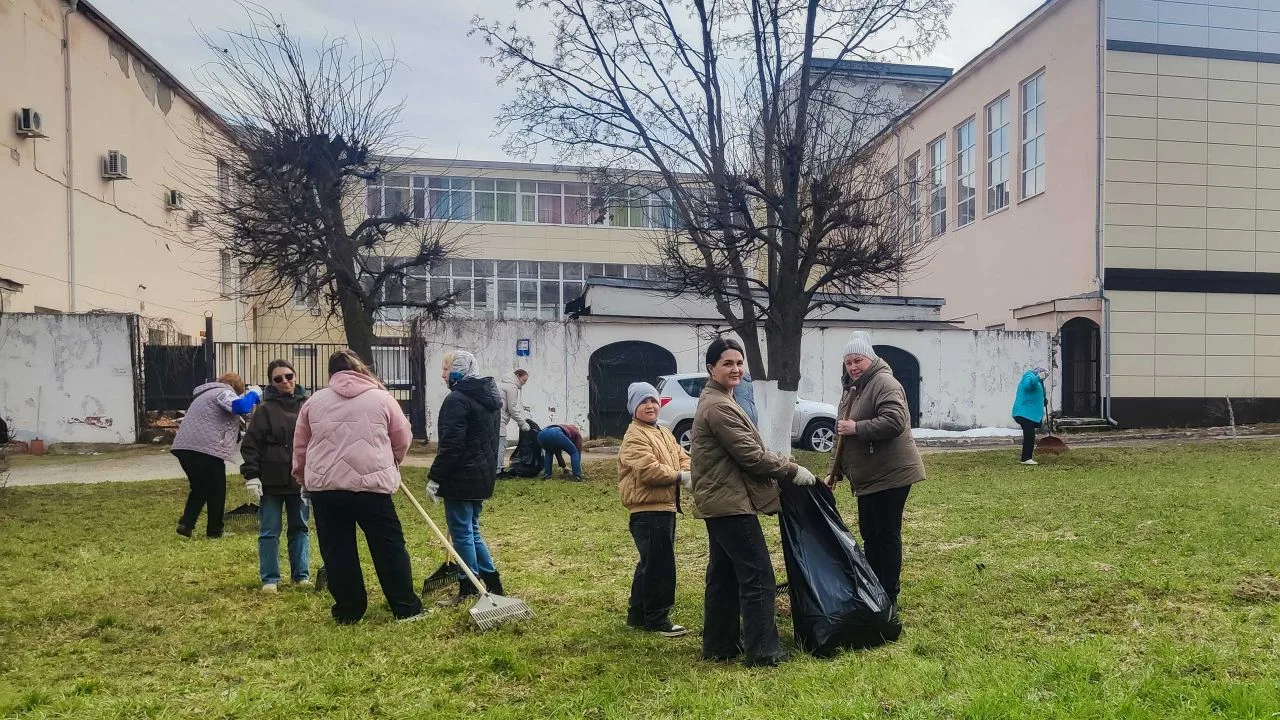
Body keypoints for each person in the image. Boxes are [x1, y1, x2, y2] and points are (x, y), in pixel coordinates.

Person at [691, 337, 817, 667]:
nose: (735, 369)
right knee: (758, 575)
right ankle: (763, 652)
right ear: (711, 368)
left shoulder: (720, 398)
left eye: (738, 363)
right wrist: (791, 469)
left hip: (719, 499)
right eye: (727, 364)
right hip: (729, 503)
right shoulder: (719, 406)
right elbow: (752, 456)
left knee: (724, 574)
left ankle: (719, 644)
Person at [292, 350, 423, 624]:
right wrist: (393, 460)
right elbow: (403, 436)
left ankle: (348, 610)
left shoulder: (314, 402)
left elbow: (301, 446)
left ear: (331, 373)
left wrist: (302, 478)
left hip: (326, 488)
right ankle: (405, 607)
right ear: (360, 369)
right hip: (372, 486)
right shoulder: (382, 398)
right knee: (388, 546)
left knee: (337, 550)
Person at [826, 331, 925, 609]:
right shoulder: (853, 388)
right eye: (848, 362)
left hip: (891, 474)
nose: (853, 367)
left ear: (870, 359)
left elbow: (895, 421)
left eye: (858, 360)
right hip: (870, 476)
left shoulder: (884, 382)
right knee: (871, 535)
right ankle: (875, 591)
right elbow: (841, 432)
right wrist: (834, 471)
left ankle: (888, 596)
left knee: (885, 536)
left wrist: (858, 428)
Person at [428, 350, 506, 605]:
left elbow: (451, 445)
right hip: (480, 477)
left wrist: (436, 477)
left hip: (460, 478)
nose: (443, 375)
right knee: (471, 529)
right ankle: (492, 582)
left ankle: (469, 585)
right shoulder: (488, 397)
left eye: (447, 369)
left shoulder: (458, 399)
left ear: (459, 371)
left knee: (462, 532)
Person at [617, 381, 691, 638]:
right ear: (633, 407)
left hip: (665, 507)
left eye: (653, 401)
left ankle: (637, 616)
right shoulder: (634, 436)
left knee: (649, 563)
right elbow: (648, 471)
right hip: (648, 511)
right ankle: (657, 619)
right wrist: (680, 477)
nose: (650, 406)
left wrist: (687, 470)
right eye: (643, 402)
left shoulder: (663, 432)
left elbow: (682, 456)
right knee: (660, 566)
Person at [240, 359, 310, 592]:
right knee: (269, 531)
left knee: (300, 528)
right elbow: (251, 445)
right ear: (271, 383)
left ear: (295, 376)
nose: (285, 382)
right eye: (278, 379)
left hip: (300, 479)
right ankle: (270, 578)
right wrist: (252, 475)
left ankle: (301, 575)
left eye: (288, 376)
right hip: (271, 480)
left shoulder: (307, 406)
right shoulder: (264, 410)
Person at [171, 372, 262, 538]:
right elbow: (240, 407)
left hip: (183, 447)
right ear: (234, 387)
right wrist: (254, 394)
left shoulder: (203, 396)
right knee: (217, 489)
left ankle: (186, 524)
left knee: (200, 487)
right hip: (206, 449)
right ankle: (215, 530)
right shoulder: (223, 392)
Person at [1012, 367, 1049, 465]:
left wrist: (1043, 400)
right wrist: (1038, 377)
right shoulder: (1028, 375)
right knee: (1029, 436)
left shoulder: (1038, 381)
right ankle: (1026, 458)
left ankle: (1026, 458)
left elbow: (1036, 392)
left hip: (1028, 413)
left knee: (1030, 435)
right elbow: (1028, 386)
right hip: (1024, 412)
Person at [497, 369, 531, 470]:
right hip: (500, 420)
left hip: (494, 419)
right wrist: (522, 423)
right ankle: (498, 470)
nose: (524, 383)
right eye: (523, 380)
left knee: (495, 445)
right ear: (517, 376)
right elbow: (512, 408)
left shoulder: (502, 384)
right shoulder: (512, 387)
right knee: (501, 444)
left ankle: (494, 469)